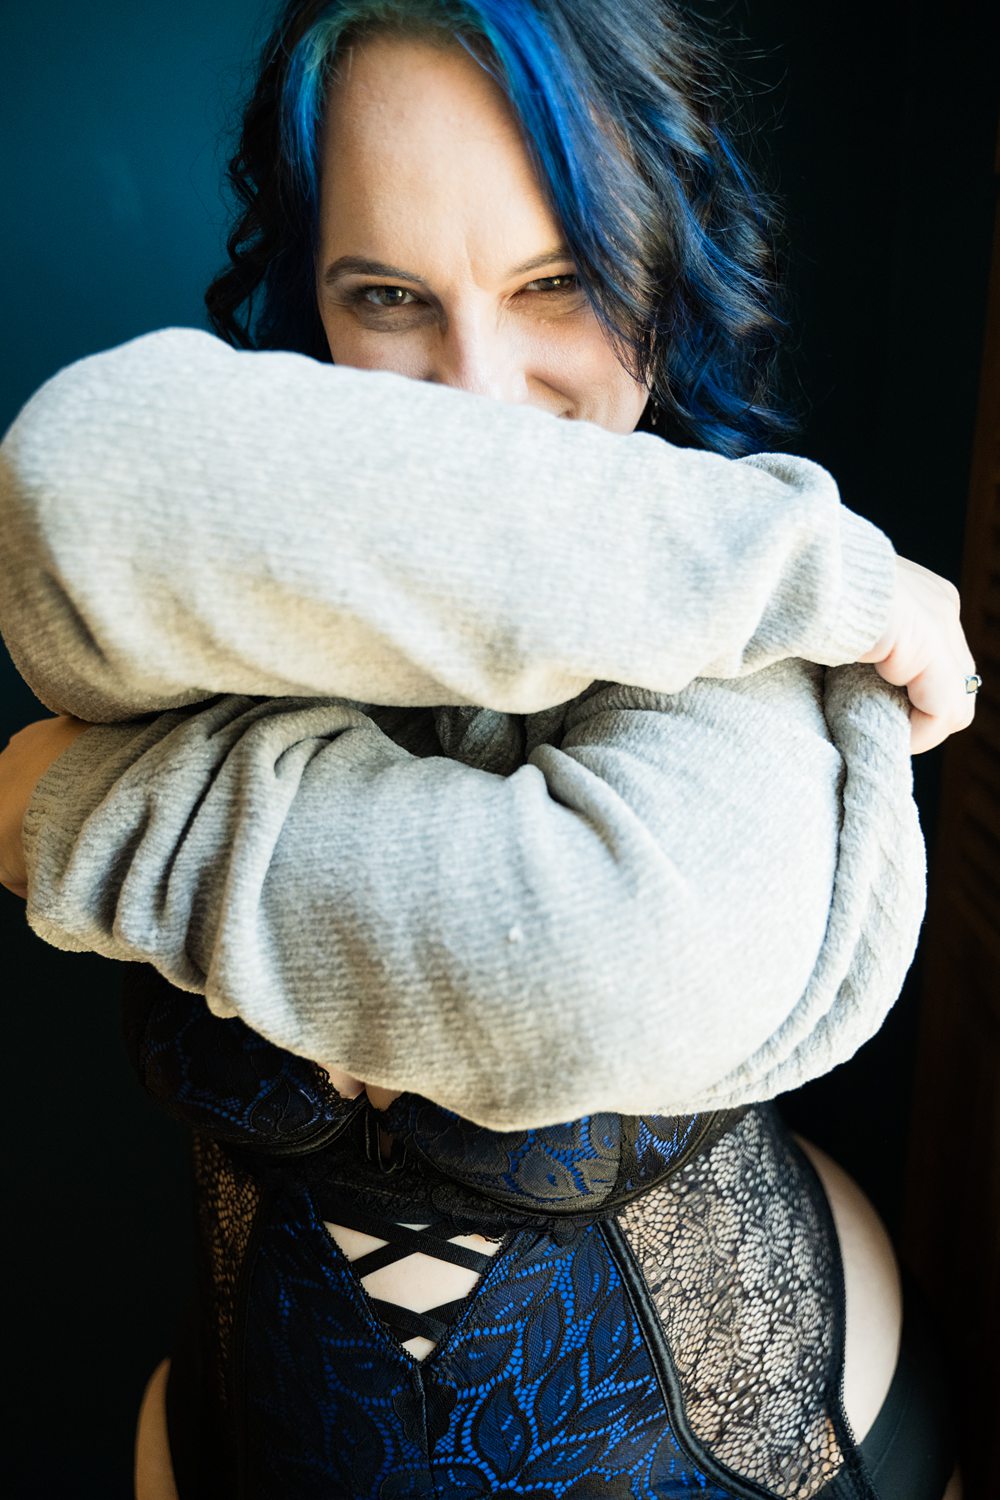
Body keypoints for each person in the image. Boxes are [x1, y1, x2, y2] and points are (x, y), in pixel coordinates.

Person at [0, 2, 978, 1496]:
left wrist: (70, 806)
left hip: (729, 1449)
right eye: (389, 294)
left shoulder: (757, 643)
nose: (479, 388)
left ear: (665, 263)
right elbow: (67, 495)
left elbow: (590, 964)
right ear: (308, 292)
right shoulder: (259, 549)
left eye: (558, 283)